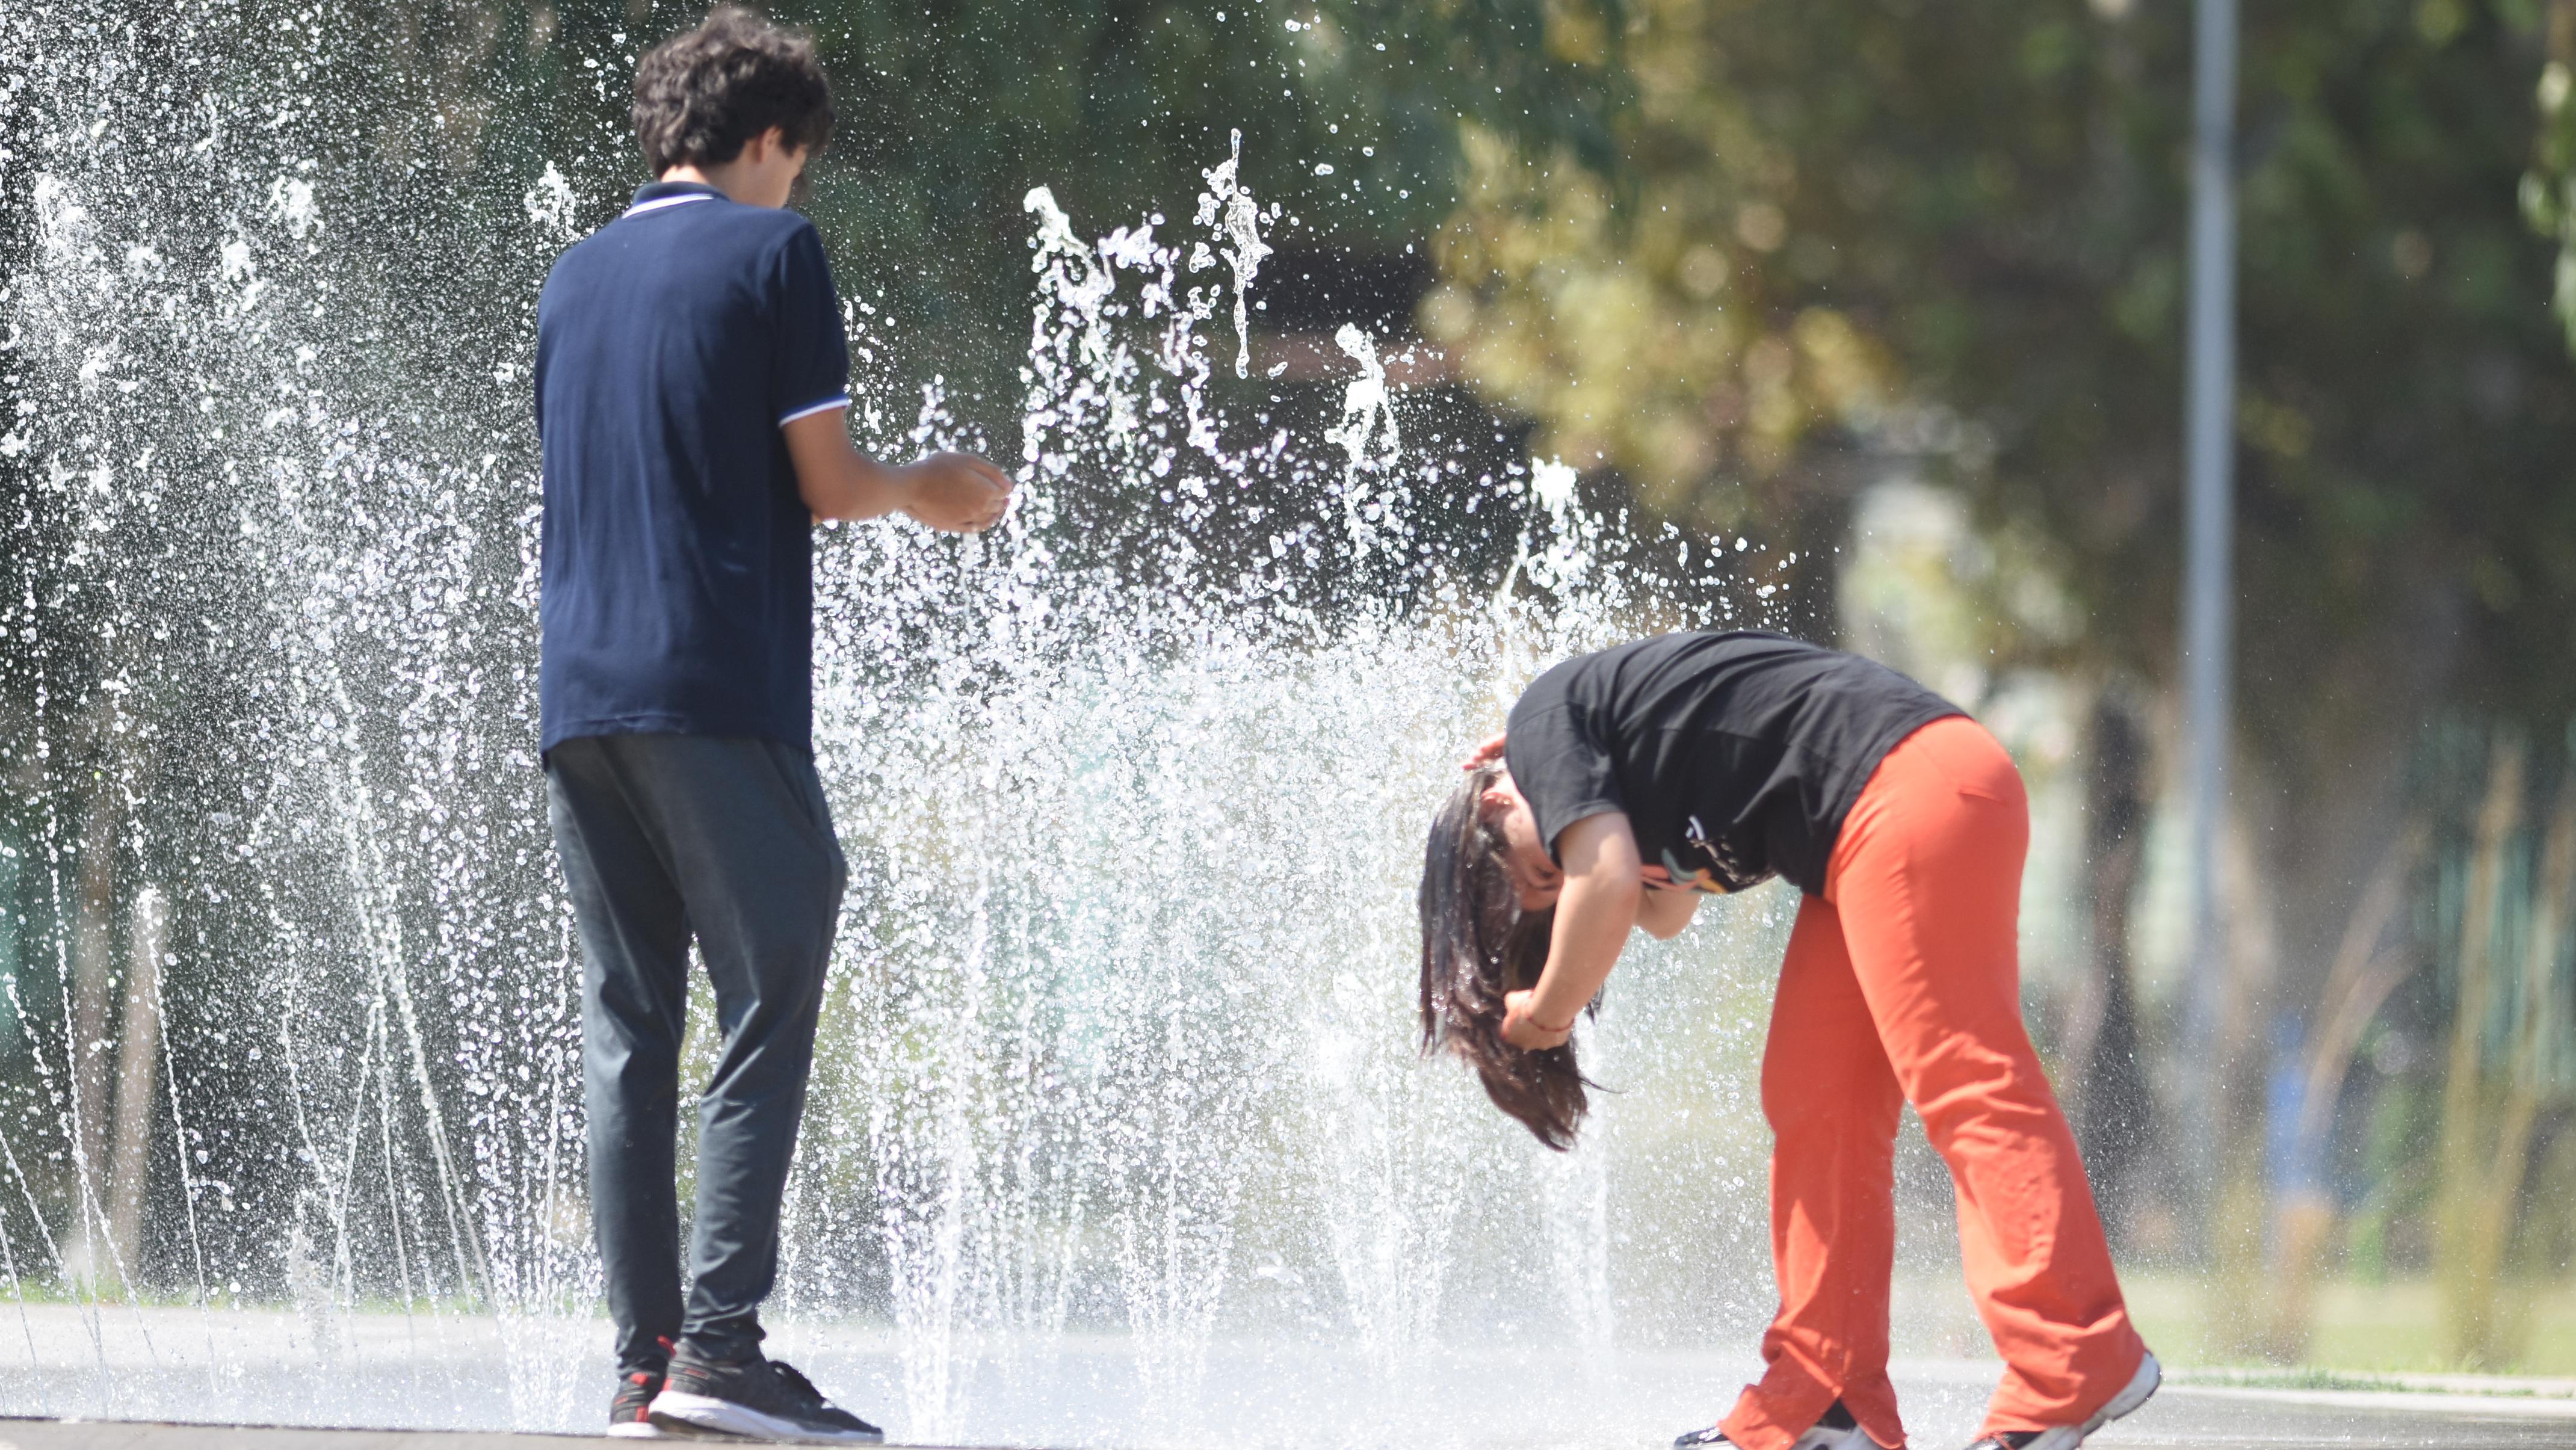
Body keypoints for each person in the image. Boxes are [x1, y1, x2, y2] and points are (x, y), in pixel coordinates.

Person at [534, 7, 1012, 1442]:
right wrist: (927, 486)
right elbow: (822, 477)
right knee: (773, 971)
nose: (795, 187)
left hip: (579, 702)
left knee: (630, 1026)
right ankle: (723, 1349)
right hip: (713, 689)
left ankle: (644, 1359)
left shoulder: (572, 277)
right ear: (766, 142)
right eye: (796, 163)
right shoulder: (770, 252)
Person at [1417, 631, 2158, 1450]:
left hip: (1911, 786)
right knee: (1815, 1098)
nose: (1556, 877)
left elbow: (1609, 881)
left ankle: (2073, 1356)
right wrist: (1576, 815)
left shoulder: (1541, 721)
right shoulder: (1601, 779)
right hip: (1858, 834)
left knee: (1962, 1078)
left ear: (1493, 802)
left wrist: (1549, 1014)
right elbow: (1662, 909)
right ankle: (1825, 1399)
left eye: (1539, 875)